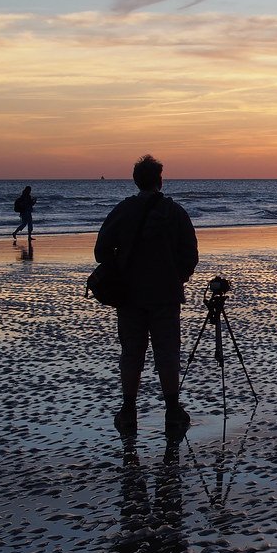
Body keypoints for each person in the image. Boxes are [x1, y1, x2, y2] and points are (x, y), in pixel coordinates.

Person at [95, 155, 199, 435]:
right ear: (160, 180)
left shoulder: (123, 210)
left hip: (129, 294)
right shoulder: (174, 212)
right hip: (165, 294)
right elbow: (190, 254)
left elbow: (101, 251)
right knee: (167, 352)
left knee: (131, 353)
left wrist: (121, 263)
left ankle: (128, 410)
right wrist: (178, 276)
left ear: (136, 180)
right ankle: (173, 410)